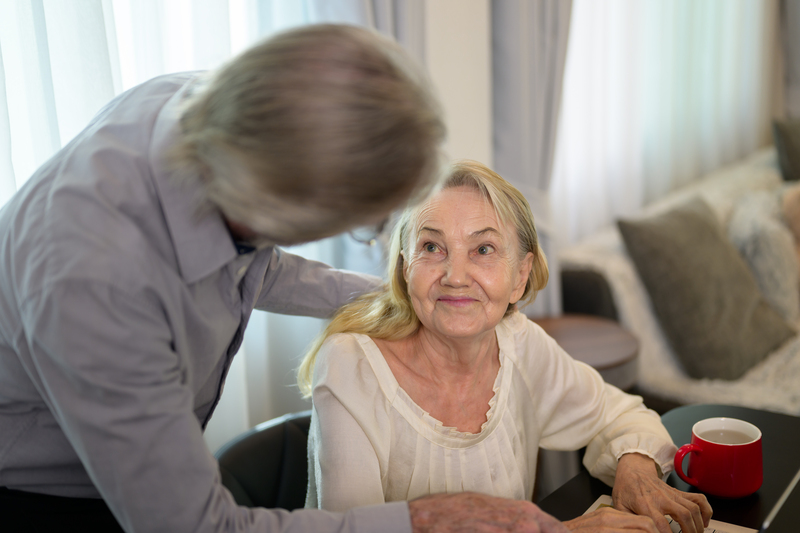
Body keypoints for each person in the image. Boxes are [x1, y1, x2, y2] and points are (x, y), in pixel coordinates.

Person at [0, 24, 567, 533]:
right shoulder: (94, 286)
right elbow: (197, 527)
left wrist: (418, 296)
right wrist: (418, 521)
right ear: (285, 211)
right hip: (44, 488)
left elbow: (256, 263)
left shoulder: (219, 115)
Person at [299, 160, 714, 533]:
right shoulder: (350, 366)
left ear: (520, 276)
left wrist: (636, 467)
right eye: (431, 247)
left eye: (483, 249)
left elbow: (621, 414)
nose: (454, 276)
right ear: (406, 268)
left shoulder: (517, 343)